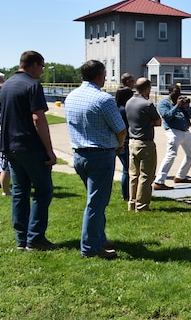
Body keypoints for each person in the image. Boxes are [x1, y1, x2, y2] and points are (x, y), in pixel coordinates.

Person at [0, 51, 60, 251]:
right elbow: (38, 119)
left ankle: (21, 238)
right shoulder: (33, 85)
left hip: (10, 146)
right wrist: (49, 150)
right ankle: (35, 238)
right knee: (43, 191)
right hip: (31, 147)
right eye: (42, 67)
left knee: (20, 192)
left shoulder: (6, 85)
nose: (42, 71)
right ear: (33, 65)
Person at [65, 60, 126, 259]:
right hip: (100, 154)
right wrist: (119, 145)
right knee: (96, 203)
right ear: (100, 76)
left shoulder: (71, 96)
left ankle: (98, 237)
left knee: (95, 200)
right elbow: (120, 129)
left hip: (80, 155)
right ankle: (90, 247)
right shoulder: (103, 99)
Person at [125, 78, 161, 211]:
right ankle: (142, 205)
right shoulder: (147, 104)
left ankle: (132, 202)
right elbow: (158, 122)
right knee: (146, 175)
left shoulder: (129, 102)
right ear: (147, 88)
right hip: (145, 142)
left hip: (132, 141)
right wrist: (148, 123)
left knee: (134, 175)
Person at [153, 84, 191, 190]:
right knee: (171, 155)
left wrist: (187, 107)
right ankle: (159, 181)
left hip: (185, 131)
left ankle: (180, 176)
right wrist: (177, 105)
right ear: (169, 93)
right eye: (175, 93)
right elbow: (167, 116)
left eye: (179, 93)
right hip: (173, 131)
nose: (177, 95)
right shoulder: (164, 103)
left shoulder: (182, 103)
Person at [114, 85, 134, 202]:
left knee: (125, 168)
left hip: (117, 142)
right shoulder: (124, 110)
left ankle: (126, 193)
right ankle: (126, 194)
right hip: (125, 141)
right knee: (127, 169)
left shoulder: (115, 108)